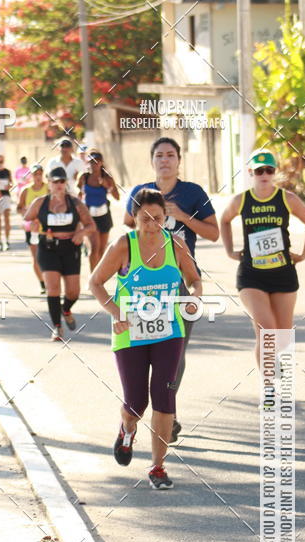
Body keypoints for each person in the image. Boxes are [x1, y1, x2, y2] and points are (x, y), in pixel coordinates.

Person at [90, 188, 202, 489]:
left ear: (165, 218)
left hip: (169, 331)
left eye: (158, 219)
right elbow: (96, 283)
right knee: (136, 403)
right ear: (135, 218)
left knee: (164, 399)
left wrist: (194, 296)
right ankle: (127, 430)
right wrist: (115, 312)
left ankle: (157, 467)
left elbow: (194, 278)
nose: (152, 225)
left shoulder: (175, 244)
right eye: (145, 219)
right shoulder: (123, 246)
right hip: (130, 334)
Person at [125, 136, 219, 443]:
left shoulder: (193, 193)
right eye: (159, 156)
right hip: (145, 286)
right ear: (152, 161)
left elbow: (214, 233)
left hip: (179, 283)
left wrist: (182, 217)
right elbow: (127, 229)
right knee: (143, 351)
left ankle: (168, 413)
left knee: (175, 352)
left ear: (179, 160)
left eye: (170, 155)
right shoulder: (141, 194)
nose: (165, 160)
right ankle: (144, 410)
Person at [220, 149, 305, 367]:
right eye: (258, 170)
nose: (264, 174)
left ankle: (282, 389)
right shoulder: (241, 200)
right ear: (250, 172)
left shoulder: (287, 198)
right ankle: (269, 391)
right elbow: (224, 220)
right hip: (251, 275)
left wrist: (303, 254)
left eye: (269, 170)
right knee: (267, 331)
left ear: (275, 172)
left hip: (283, 273)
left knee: (282, 338)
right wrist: (229, 250)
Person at [24, 165, 95, 340]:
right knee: (53, 288)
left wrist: (81, 233)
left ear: (66, 183)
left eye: (62, 181)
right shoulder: (40, 203)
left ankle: (66, 309)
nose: (58, 185)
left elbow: (91, 225)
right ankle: (56, 327)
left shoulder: (75, 203)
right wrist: (32, 226)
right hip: (48, 248)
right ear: (49, 183)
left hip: (71, 248)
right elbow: (26, 220)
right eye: (55, 181)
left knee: (73, 292)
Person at [77, 149, 119, 270]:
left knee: (102, 250)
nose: (93, 165)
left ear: (101, 163)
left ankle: (99, 277)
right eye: (90, 162)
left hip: (104, 215)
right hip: (90, 217)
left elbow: (117, 197)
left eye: (96, 162)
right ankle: (92, 278)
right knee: (94, 249)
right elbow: (77, 194)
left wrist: (108, 187)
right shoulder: (84, 177)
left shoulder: (107, 178)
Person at [17, 164, 47, 294]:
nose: (38, 176)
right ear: (32, 176)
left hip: (46, 228)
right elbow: (19, 208)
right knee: (36, 258)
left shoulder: (48, 189)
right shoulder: (25, 190)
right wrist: (25, 212)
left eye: (40, 174)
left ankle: (48, 279)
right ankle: (42, 283)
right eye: (35, 174)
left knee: (47, 256)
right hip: (31, 229)